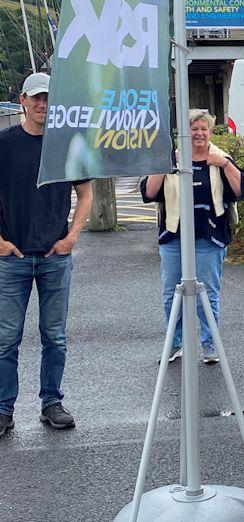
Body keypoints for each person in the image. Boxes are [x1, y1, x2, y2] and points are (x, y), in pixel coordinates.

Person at [0, 72, 93, 436]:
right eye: (36, 98)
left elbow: (86, 194)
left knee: (54, 336)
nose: (42, 104)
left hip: (55, 256)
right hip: (12, 258)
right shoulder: (5, 143)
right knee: (7, 338)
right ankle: (4, 409)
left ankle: (51, 403)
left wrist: (72, 236)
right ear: (22, 100)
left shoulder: (67, 143)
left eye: (48, 99)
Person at [141, 109, 244, 365]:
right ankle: (174, 343)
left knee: (208, 293)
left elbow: (242, 190)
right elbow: (147, 192)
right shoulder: (169, 159)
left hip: (209, 236)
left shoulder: (222, 159)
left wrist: (225, 164)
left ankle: (210, 343)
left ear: (210, 132)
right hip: (173, 236)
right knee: (172, 293)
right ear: (184, 133)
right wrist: (165, 166)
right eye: (193, 129)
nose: (199, 133)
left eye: (203, 129)